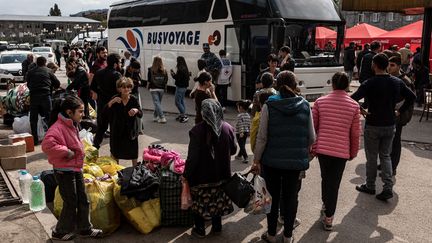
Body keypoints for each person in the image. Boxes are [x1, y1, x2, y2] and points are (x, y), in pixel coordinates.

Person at [252, 71, 315, 243]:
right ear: (295, 85)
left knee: (271, 197)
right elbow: (312, 137)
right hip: (295, 164)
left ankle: (271, 235)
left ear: (276, 86)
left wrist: (256, 159)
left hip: (271, 162)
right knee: (291, 198)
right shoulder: (304, 105)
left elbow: (262, 137)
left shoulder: (269, 106)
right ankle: (288, 236)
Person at [351, 53, 416, 201]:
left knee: (372, 157)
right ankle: (387, 187)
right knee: (385, 156)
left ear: (374, 65)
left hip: (373, 123)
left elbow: (352, 98)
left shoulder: (369, 83)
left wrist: (361, 109)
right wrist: (399, 111)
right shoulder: (396, 82)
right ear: (387, 65)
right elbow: (412, 97)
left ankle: (370, 185)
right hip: (390, 124)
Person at [41, 95, 103, 241]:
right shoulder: (57, 128)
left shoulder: (72, 124)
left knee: (83, 199)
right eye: (80, 111)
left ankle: (85, 229)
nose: (83, 114)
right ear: (69, 112)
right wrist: (66, 151)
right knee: (70, 202)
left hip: (76, 169)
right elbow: (47, 145)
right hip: (64, 171)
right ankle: (59, 231)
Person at [312, 72, 361, 231]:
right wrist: (353, 152)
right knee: (334, 183)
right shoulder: (354, 105)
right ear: (347, 85)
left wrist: (312, 148)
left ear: (332, 84)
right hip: (341, 152)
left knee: (325, 179)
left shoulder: (320, 102)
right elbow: (354, 133)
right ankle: (329, 217)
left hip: (323, 150)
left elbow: (313, 128)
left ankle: (326, 206)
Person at [183, 99, 236, 238]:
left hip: (201, 177)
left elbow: (192, 158)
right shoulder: (227, 128)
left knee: (200, 203)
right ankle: (217, 227)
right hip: (222, 175)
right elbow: (234, 150)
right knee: (217, 201)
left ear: (203, 112)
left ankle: (200, 229)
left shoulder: (196, 131)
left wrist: (186, 174)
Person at [105, 77, 142, 167]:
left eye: (128, 87)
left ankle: (135, 170)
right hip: (117, 131)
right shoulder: (115, 98)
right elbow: (105, 112)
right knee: (115, 152)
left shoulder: (133, 99)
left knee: (133, 153)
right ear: (119, 88)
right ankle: (116, 172)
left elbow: (140, 114)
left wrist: (136, 110)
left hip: (130, 131)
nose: (126, 89)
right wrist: (111, 102)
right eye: (123, 87)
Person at [387, 56, 416, 176]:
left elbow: (410, 99)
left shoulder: (404, 80)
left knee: (395, 141)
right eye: (389, 64)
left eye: (392, 65)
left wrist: (398, 111)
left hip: (399, 116)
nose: (389, 67)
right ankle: (386, 163)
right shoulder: (390, 78)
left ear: (399, 66)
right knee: (387, 141)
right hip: (390, 114)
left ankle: (392, 167)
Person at [90, 53, 122, 149]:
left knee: (101, 128)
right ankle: (114, 152)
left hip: (102, 105)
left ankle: (95, 148)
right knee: (114, 129)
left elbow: (92, 87)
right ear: (115, 64)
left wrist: (99, 93)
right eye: (120, 62)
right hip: (115, 106)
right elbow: (121, 90)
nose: (120, 64)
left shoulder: (99, 72)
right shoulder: (117, 75)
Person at [26, 56, 61, 144]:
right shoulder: (48, 71)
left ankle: (35, 140)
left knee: (33, 119)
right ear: (45, 63)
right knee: (50, 117)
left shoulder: (30, 72)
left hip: (34, 97)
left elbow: (28, 84)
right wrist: (52, 87)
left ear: (36, 63)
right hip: (46, 96)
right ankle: (52, 139)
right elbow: (57, 83)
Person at [147, 56, 168, 123]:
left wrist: (147, 86)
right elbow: (166, 80)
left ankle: (162, 117)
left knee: (157, 103)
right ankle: (155, 116)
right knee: (158, 103)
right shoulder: (164, 70)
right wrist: (165, 87)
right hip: (161, 88)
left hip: (153, 88)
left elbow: (149, 80)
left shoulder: (150, 69)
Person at [170, 56, 191, 123]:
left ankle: (184, 115)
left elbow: (177, 78)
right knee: (181, 101)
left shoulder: (180, 69)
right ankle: (182, 115)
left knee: (177, 102)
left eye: (177, 61)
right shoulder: (185, 68)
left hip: (180, 87)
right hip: (184, 87)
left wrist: (172, 74)